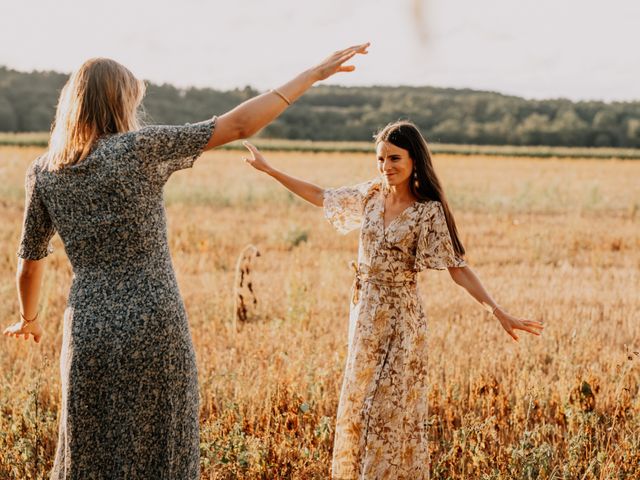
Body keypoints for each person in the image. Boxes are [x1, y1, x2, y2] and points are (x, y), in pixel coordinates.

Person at [2, 43, 369, 479]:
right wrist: (311, 74)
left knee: (89, 448)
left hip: (88, 328)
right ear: (119, 101)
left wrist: (30, 318)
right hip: (154, 321)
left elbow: (29, 262)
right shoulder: (139, 149)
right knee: (164, 444)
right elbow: (238, 125)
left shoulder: (44, 171)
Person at [242, 121, 544, 479]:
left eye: (394, 158)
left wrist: (498, 311)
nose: (386, 167)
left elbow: (457, 268)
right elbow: (322, 196)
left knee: (390, 410)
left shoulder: (427, 210)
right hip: (364, 315)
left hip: (402, 321)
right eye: (381, 159)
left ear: (415, 159)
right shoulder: (371, 194)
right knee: (359, 404)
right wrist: (271, 170)